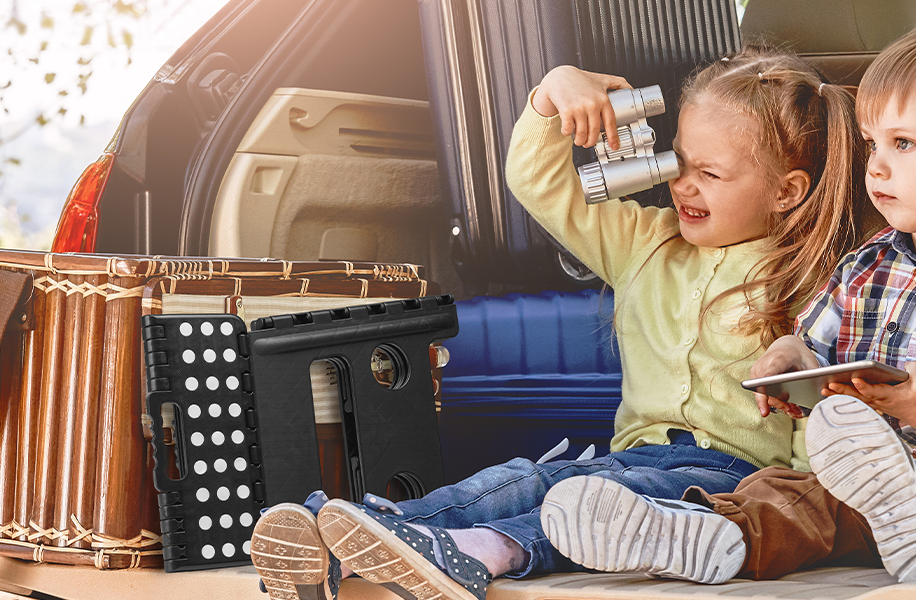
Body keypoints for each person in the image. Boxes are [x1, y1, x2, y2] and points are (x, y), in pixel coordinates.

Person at [249, 46, 882, 600]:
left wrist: (801, 508)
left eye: (709, 175)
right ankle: (359, 529)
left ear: (786, 191)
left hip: (729, 483)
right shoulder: (648, 243)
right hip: (628, 458)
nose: (681, 187)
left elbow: (818, 412)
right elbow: (539, 181)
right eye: (677, 163)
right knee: (532, 477)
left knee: (598, 509)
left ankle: (485, 552)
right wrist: (553, 93)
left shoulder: (818, 280)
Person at [541, 19, 916, 585]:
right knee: (782, 496)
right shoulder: (863, 266)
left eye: (904, 143)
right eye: (871, 144)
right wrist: (791, 361)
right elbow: (809, 341)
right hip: (863, 475)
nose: (877, 166)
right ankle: (710, 536)